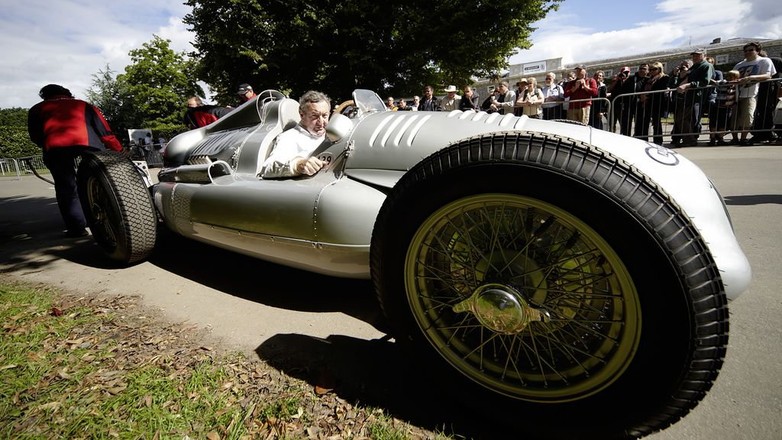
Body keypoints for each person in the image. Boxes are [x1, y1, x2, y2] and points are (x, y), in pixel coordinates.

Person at [27, 84, 123, 237]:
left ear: (44, 96)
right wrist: (119, 151)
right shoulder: (84, 105)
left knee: (66, 187)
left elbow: (35, 136)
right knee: (104, 179)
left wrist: (45, 145)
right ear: (67, 93)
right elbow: (105, 132)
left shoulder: (36, 109)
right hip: (89, 144)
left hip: (56, 148)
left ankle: (77, 228)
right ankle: (116, 215)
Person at [260, 90, 331, 179]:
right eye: (314, 116)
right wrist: (297, 166)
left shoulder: (334, 135)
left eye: (324, 116)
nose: (321, 122)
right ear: (302, 115)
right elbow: (267, 168)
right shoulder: (289, 137)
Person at [731, 42, 776, 146]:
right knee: (734, 117)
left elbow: (768, 75)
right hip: (737, 93)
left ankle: (743, 138)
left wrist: (750, 78)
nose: (748, 52)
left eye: (751, 50)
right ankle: (734, 138)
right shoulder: (739, 64)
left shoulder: (764, 61)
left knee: (748, 116)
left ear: (758, 51)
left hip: (752, 93)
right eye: (746, 51)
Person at [638, 62, 670, 145]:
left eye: (654, 69)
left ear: (659, 69)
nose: (652, 71)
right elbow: (641, 90)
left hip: (657, 103)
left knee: (656, 123)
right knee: (645, 123)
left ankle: (658, 141)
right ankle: (644, 140)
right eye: (651, 69)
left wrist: (647, 96)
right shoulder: (647, 79)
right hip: (646, 104)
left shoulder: (664, 78)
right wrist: (641, 96)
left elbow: (660, 90)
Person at [708, 70, 740, 146]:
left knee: (723, 124)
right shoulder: (723, 82)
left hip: (727, 107)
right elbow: (715, 82)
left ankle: (720, 138)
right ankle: (712, 138)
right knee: (713, 123)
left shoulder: (736, 86)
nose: (731, 78)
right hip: (718, 106)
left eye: (733, 77)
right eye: (729, 76)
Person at [618, 63, 649, 137]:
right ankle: (626, 137)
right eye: (640, 68)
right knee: (626, 124)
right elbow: (623, 90)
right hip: (629, 104)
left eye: (644, 69)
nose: (642, 70)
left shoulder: (649, 80)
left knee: (640, 124)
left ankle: (639, 138)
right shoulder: (632, 78)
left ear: (648, 70)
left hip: (642, 105)